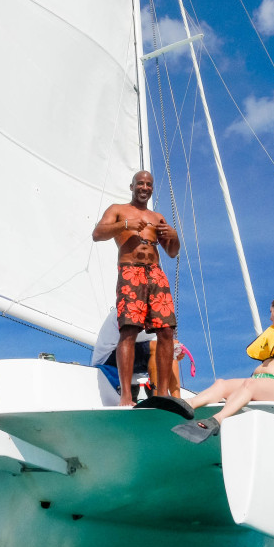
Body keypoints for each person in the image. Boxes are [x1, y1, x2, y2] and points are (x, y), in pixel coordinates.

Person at [174, 293, 274, 442]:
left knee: (249, 385)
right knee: (221, 384)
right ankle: (187, 404)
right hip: (259, 381)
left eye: (271, 311)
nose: (270, 317)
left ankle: (216, 420)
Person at [92, 170, 180, 405]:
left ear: (152, 189)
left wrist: (174, 236)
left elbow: (172, 252)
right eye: (140, 183)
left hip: (155, 272)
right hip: (131, 271)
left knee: (166, 331)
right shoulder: (118, 210)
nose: (144, 187)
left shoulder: (157, 216)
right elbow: (97, 234)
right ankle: (126, 397)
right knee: (129, 330)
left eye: (148, 184)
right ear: (132, 186)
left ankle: (162, 393)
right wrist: (126, 224)